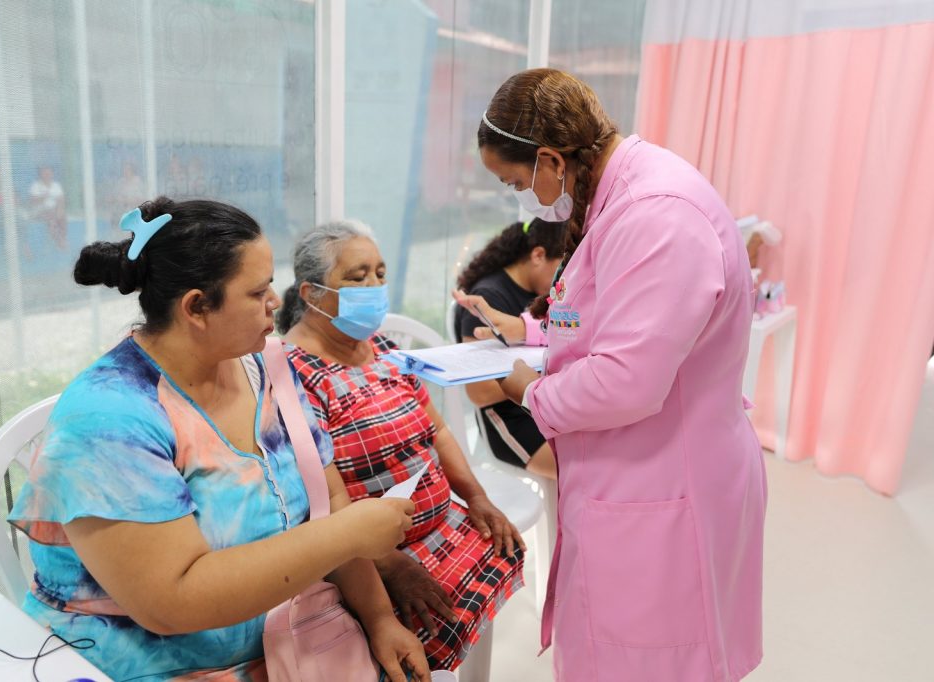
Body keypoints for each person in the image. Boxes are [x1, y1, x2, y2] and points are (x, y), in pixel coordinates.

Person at [7, 198, 430, 682]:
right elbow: (173, 602)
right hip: (148, 667)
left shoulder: (267, 367)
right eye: (257, 291)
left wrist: (379, 618)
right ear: (196, 307)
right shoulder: (109, 421)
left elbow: (328, 498)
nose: (275, 301)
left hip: (291, 642)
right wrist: (347, 534)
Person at [454, 68, 766, 681]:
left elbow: (628, 378)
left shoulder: (656, 214)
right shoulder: (620, 194)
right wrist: (529, 332)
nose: (520, 199)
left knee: (650, 662)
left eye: (516, 182)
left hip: (666, 486)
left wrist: (531, 391)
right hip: (634, 473)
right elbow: (612, 315)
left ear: (551, 160)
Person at [277, 220, 526, 672]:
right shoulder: (293, 376)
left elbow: (438, 431)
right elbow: (324, 501)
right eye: (357, 278)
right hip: (368, 558)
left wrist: (476, 496)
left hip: (442, 527)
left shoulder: (381, 347)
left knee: (505, 550)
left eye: (379, 273)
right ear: (312, 295)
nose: (374, 287)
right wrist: (389, 565)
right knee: (416, 638)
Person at [454, 218, 565, 479]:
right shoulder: (490, 296)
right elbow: (480, 391)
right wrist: (547, 378)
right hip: (511, 421)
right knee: (586, 468)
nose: (563, 281)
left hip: (542, 406)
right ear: (538, 255)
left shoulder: (539, 291)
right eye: (561, 269)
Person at [29, 165, 67, 249]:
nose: (47, 175)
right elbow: (32, 201)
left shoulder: (56, 185)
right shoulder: (36, 185)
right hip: (39, 211)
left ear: (52, 174)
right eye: (45, 173)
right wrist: (43, 197)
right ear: (40, 174)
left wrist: (60, 210)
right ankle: (59, 241)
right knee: (51, 217)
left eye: (49, 172)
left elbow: (61, 200)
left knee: (62, 217)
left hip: (54, 210)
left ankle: (63, 239)